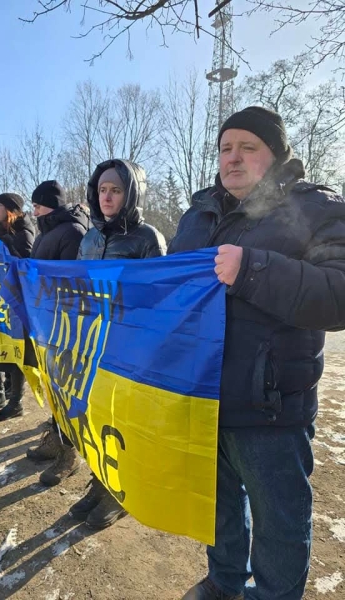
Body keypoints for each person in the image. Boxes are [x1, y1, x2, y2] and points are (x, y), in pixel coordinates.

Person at [167, 106, 345, 600]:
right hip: (202, 397)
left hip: (270, 405)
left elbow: (339, 294)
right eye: (226, 148)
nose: (233, 158)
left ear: (277, 155)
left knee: (279, 523)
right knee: (218, 508)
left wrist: (253, 269)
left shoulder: (314, 207)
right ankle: (224, 584)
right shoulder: (199, 212)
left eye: (248, 147)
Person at [64, 159, 167, 531]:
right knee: (95, 416)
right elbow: (77, 285)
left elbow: (158, 298)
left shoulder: (148, 238)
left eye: (116, 190)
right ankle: (100, 481)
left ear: (131, 193)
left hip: (129, 348)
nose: (107, 197)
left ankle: (119, 492)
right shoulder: (89, 239)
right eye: (102, 190)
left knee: (122, 421)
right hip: (92, 345)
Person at [24, 180, 90, 481]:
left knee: (66, 391)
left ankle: (69, 455)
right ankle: (55, 439)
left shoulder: (72, 231)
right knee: (53, 388)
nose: (34, 210)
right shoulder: (47, 230)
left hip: (64, 325)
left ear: (51, 204)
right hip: (45, 322)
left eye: (38, 205)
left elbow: (71, 283)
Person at [0, 193, 34, 421]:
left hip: (17, 303)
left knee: (16, 350)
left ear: (11, 210)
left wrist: (6, 244)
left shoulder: (24, 233)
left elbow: (28, 263)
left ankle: (16, 401)